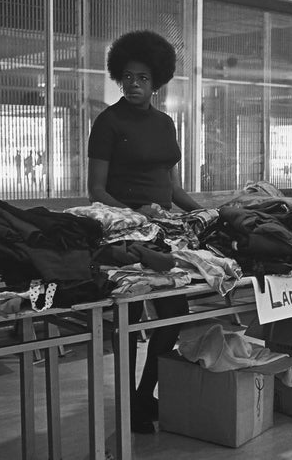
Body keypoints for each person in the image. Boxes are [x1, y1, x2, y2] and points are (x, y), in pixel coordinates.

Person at [87, 30, 202, 434]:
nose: (134, 84)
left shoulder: (166, 123)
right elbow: (97, 190)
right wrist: (135, 213)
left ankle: (142, 395)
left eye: (143, 78)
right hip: (125, 232)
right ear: (119, 77)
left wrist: (205, 213)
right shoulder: (108, 122)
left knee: (174, 314)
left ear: (156, 82)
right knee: (128, 320)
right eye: (128, 77)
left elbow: (172, 186)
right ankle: (128, 400)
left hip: (163, 230)